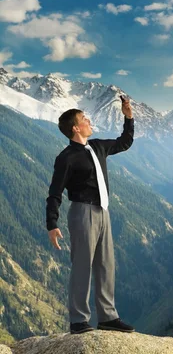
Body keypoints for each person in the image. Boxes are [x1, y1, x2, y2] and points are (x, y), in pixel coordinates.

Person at [46, 96, 135, 334]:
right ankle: (78, 321)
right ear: (76, 127)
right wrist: (51, 224)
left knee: (106, 266)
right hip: (82, 212)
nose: (89, 120)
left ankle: (107, 317)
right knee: (82, 267)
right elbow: (55, 192)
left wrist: (128, 117)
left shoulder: (97, 147)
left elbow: (125, 142)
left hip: (103, 212)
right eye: (85, 119)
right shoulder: (66, 157)